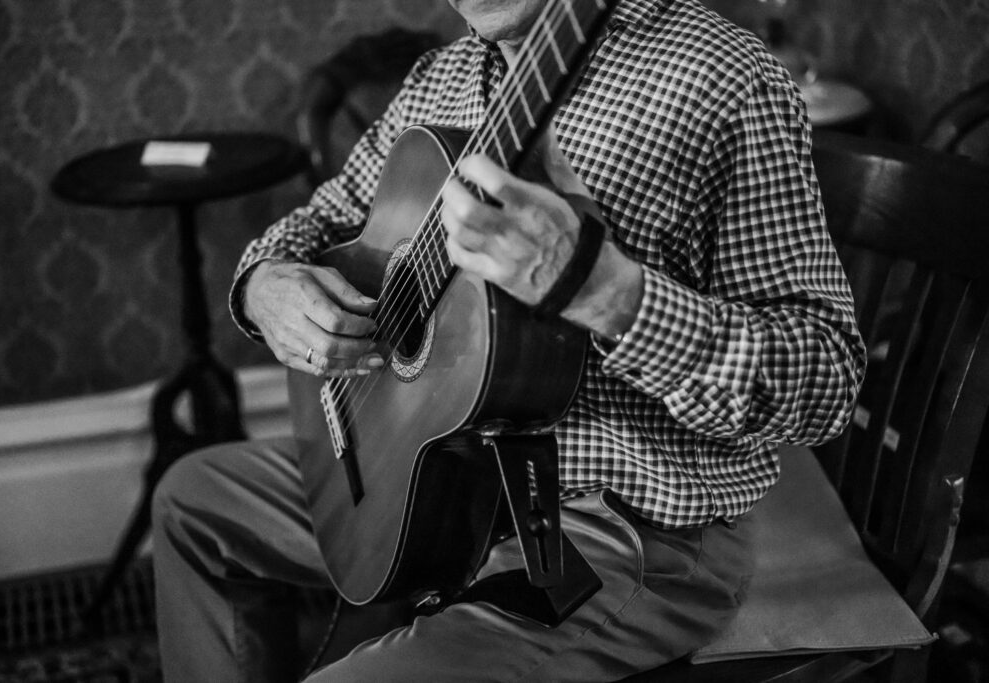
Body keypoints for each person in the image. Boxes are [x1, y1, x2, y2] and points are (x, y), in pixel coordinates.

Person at [151, 0, 866, 681]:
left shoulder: (722, 75)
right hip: (441, 479)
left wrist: (610, 295)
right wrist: (263, 282)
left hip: (621, 530)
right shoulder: (443, 76)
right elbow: (323, 218)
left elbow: (827, 384)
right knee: (191, 500)